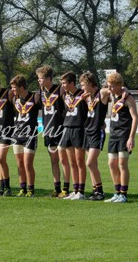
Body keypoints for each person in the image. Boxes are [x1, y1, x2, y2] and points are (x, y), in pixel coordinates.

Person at [36, 66, 70, 198]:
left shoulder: (60, 90)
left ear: (48, 78)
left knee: (63, 160)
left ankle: (66, 188)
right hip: (48, 130)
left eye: (41, 78)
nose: (39, 81)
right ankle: (56, 188)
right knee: (53, 160)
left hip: (60, 129)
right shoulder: (41, 91)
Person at [105, 73, 137, 203]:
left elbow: (135, 117)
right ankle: (117, 192)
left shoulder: (128, 98)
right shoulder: (111, 95)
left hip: (124, 134)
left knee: (122, 163)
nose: (110, 88)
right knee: (111, 164)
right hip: (113, 134)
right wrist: (113, 89)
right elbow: (102, 90)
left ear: (119, 85)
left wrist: (131, 137)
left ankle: (123, 194)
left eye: (112, 86)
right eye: (109, 86)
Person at [80, 72, 110, 201]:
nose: (81, 88)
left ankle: (100, 191)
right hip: (88, 131)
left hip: (97, 132)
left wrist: (124, 89)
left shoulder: (101, 93)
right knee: (92, 164)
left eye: (83, 85)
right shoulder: (88, 96)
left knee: (90, 162)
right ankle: (95, 191)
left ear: (89, 83)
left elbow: (112, 89)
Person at [59, 72, 88, 200]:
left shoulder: (83, 94)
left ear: (72, 83)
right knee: (72, 162)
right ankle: (75, 190)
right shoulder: (65, 95)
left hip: (79, 129)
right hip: (67, 128)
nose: (63, 85)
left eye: (65, 83)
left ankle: (81, 191)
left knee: (80, 161)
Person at [11, 75, 40, 197]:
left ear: (21, 87)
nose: (12, 90)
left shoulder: (35, 97)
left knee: (28, 163)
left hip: (30, 134)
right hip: (17, 134)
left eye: (14, 87)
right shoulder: (15, 99)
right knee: (19, 163)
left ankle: (30, 189)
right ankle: (22, 188)